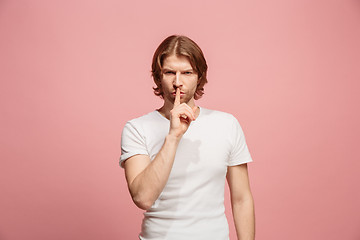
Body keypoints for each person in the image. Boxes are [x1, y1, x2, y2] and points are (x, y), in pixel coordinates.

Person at [119, 35, 255, 240]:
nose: (178, 82)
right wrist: (173, 136)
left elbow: (241, 198)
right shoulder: (137, 129)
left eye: (187, 72)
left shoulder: (227, 124)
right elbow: (143, 198)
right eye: (169, 72)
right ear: (158, 77)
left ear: (199, 76)